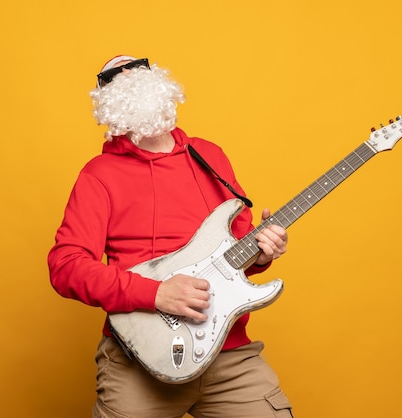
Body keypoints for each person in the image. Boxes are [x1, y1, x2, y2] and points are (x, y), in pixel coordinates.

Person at [48, 55, 293, 417]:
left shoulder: (209, 155)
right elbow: (66, 267)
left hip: (229, 356)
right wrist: (156, 292)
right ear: (107, 104)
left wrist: (262, 253)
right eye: (114, 75)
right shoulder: (98, 175)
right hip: (140, 356)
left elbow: (237, 250)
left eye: (137, 67)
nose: (129, 75)